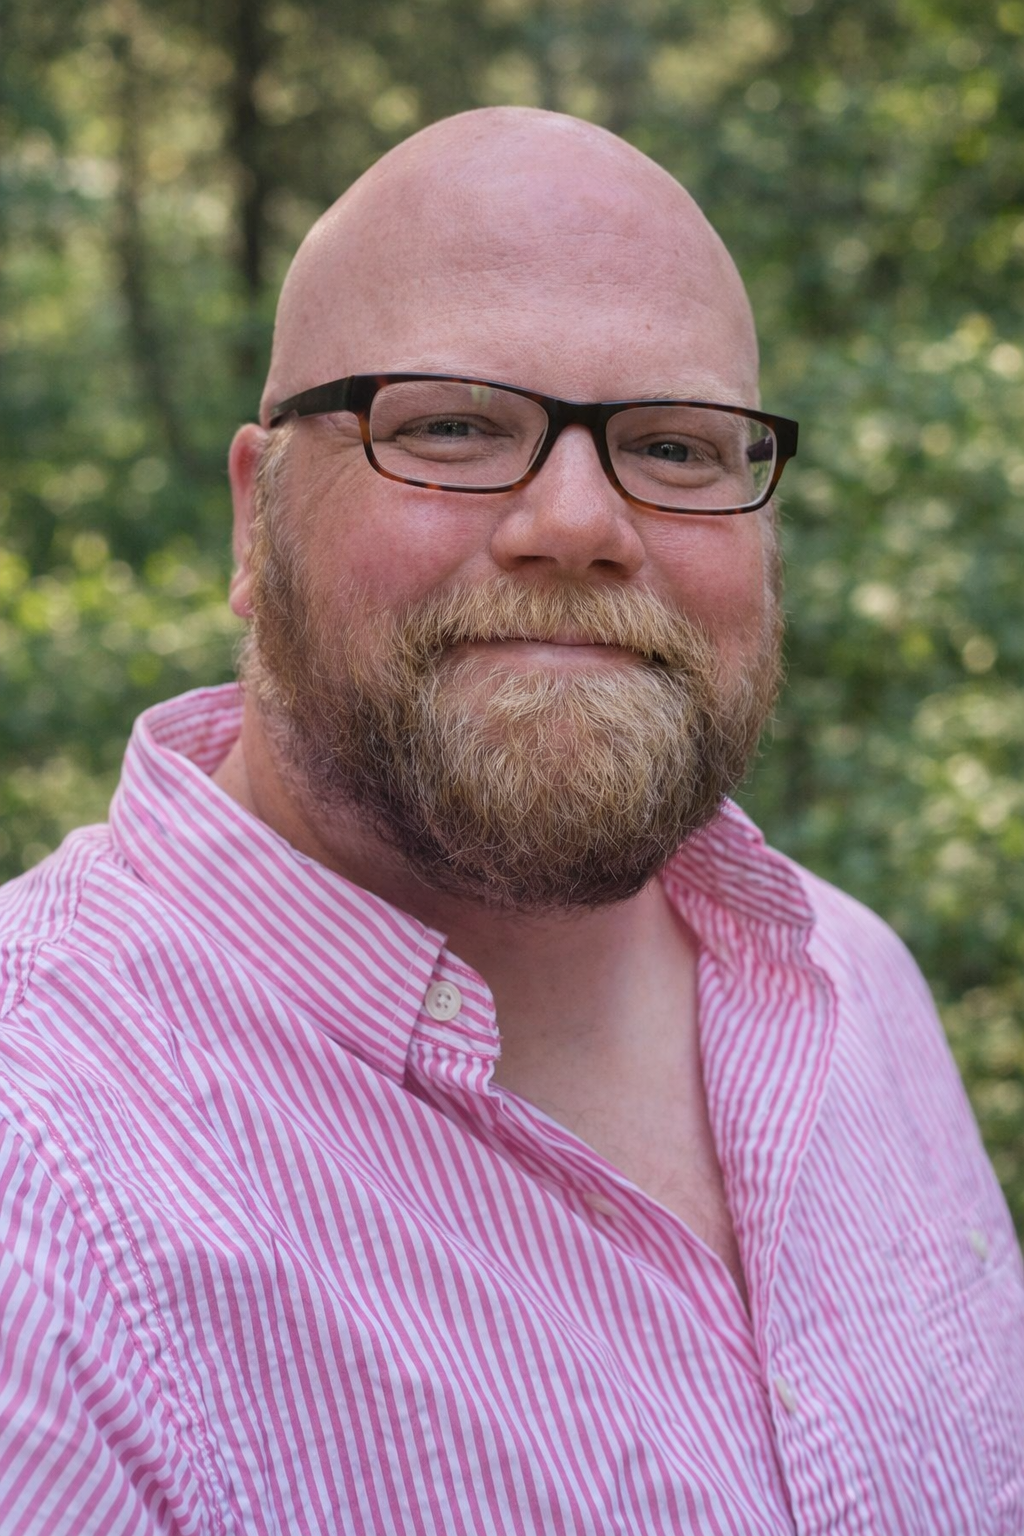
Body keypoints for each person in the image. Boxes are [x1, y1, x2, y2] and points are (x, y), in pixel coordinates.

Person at [0, 107, 1021, 1536]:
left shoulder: (857, 988)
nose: (580, 520)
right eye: (455, 425)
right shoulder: (44, 1224)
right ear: (255, 522)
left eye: (674, 446)